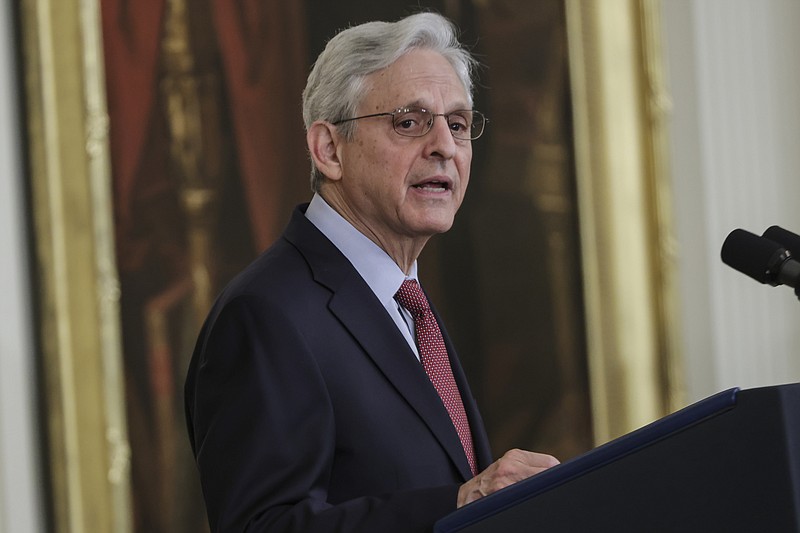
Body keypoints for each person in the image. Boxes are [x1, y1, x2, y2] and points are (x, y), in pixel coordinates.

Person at [184, 11, 559, 532]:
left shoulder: (407, 302)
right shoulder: (266, 315)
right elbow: (264, 526)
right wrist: (456, 505)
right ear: (329, 149)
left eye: (457, 124)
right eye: (410, 122)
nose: (445, 147)